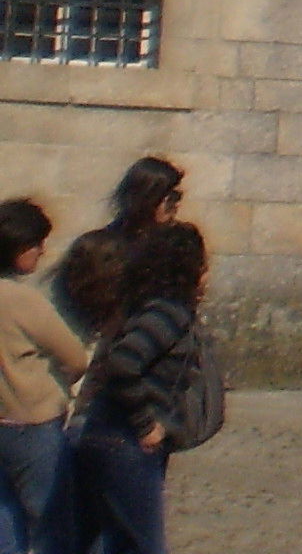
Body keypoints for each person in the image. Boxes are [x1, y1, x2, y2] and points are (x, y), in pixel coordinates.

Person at [72, 222, 211, 554]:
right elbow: (123, 362)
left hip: (106, 435)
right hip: (125, 441)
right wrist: (145, 423)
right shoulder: (166, 312)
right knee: (141, 546)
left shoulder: (146, 307)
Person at [0, 199, 90, 554]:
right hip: (32, 422)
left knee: (5, 518)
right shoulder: (24, 300)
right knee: (51, 522)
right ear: (19, 248)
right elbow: (75, 357)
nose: (42, 251)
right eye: (37, 244)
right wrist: (60, 383)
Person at [51, 159, 182, 338]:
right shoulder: (98, 247)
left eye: (177, 197)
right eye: (171, 198)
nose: (176, 206)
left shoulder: (171, 248)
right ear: (148, 198)